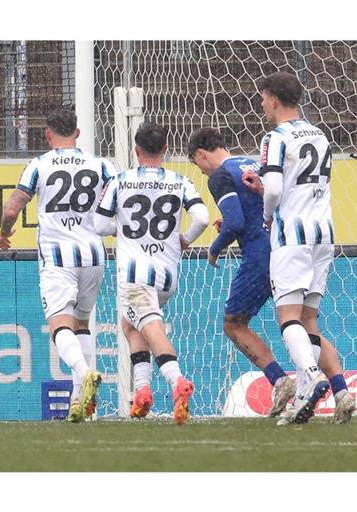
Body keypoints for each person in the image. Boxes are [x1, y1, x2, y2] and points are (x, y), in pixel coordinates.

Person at [187, 127, 355, 423]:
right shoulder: (249, 162)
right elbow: (252, 207)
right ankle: (341, 392)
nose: (201, 172)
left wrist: (214, 248)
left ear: (201, 154)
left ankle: (281, 381)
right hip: (299, 240)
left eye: (196, 164)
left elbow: (237, 222)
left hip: (264, 254)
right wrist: (227, 223)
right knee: (307, 323)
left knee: (234, 324)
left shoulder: (219, 176)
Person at [0, 107, 112, 423]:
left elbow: (12, 209)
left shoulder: (38, 165)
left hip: (57, 258)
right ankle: (82, 404)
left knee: (60, 325)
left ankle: (84, 372)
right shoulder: (101, 165)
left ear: (48, 134)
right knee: (83, 324)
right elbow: (118, 202)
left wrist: (5, 233)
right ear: (77, 133)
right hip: (93, 255)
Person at [255, 71, 355, 425]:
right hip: (323, 232)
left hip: (291, 235)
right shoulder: (320, 135)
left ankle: (311, 376)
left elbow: (273, 190)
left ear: (275, 100)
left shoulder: (275, 137)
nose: (263, 104)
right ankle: (303, 396)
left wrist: (268, 217)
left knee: (288, 317)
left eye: (264, 98)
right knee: (309, 317)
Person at [95, 122, 209, 425]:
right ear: (166, 149)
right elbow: (202, 217)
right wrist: (185, 239)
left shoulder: (120, 181)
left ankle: (177, 382)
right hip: (167, 275)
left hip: (135, 274)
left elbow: (99, 225)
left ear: (136, 150)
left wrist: (123, 228)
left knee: (151, 327)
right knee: (130, 325)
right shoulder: (179, 181)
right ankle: (142, 392)